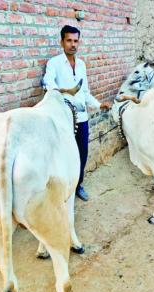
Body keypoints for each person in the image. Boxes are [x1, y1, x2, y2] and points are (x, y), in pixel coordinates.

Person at [42, 25, 111, 201]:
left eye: (75, 40)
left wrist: (98, 104)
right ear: (62, 42)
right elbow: (47, 82)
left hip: (82, 118)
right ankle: (64, 191)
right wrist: (61, 90)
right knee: (64, 155)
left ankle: (77, 185)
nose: (73, 44)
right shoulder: (54, 63)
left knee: (82, 153)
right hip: (63, 120)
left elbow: (85, 92)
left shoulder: (81, 65)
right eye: (69, 40)